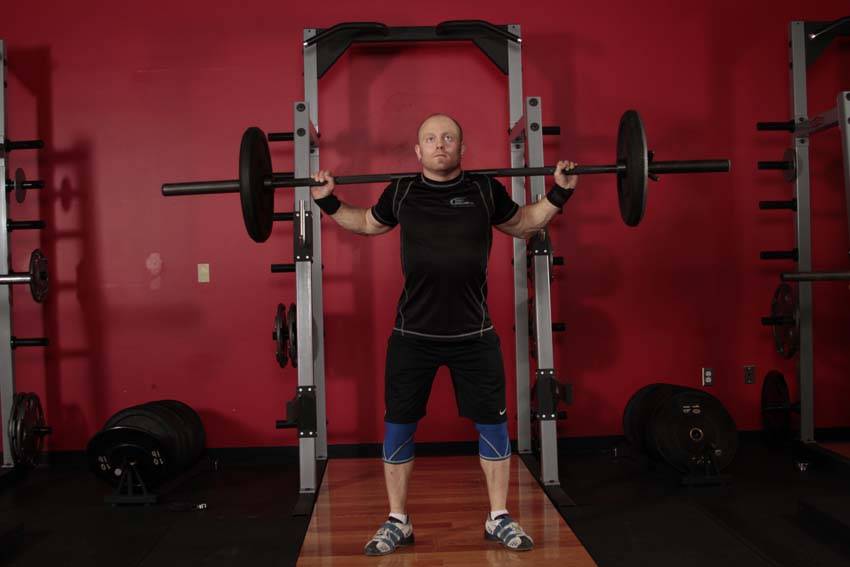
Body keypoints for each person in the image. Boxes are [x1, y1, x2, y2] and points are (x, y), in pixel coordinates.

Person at [310, 114, 577, 556]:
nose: (440, 144)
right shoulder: (402, 191)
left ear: (462, 148)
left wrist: (560, 192)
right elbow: (367, 224)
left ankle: (498, 517)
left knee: (493, 424)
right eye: (430, 139)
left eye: (448, 137)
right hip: (412, 334)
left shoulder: (484, 189)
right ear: (417, 151)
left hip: (474, 333)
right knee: (398, 425)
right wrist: (327, 201)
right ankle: (398, 519)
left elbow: (525, 223)